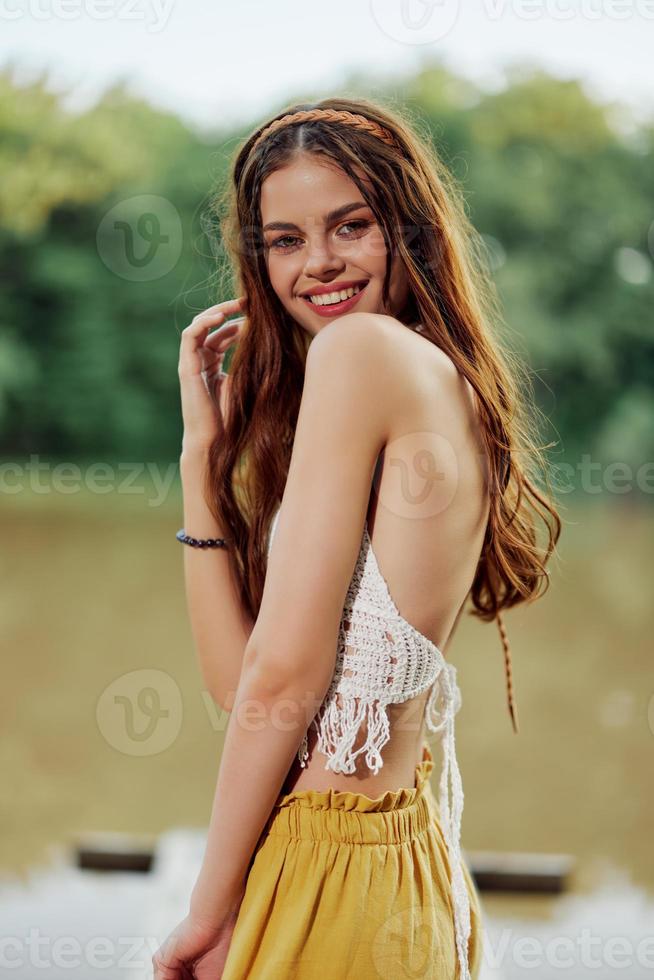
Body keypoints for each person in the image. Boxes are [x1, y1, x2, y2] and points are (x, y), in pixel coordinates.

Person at [152, 96, 561, 979]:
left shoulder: (363, 354)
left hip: (334, 880)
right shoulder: (433, 377)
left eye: (352, 225)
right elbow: (247, 686)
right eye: (286, 240)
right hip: (394, 868)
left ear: (408, 231)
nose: (320, 264)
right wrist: (201, 462)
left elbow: (281, 682)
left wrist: (205, 913)